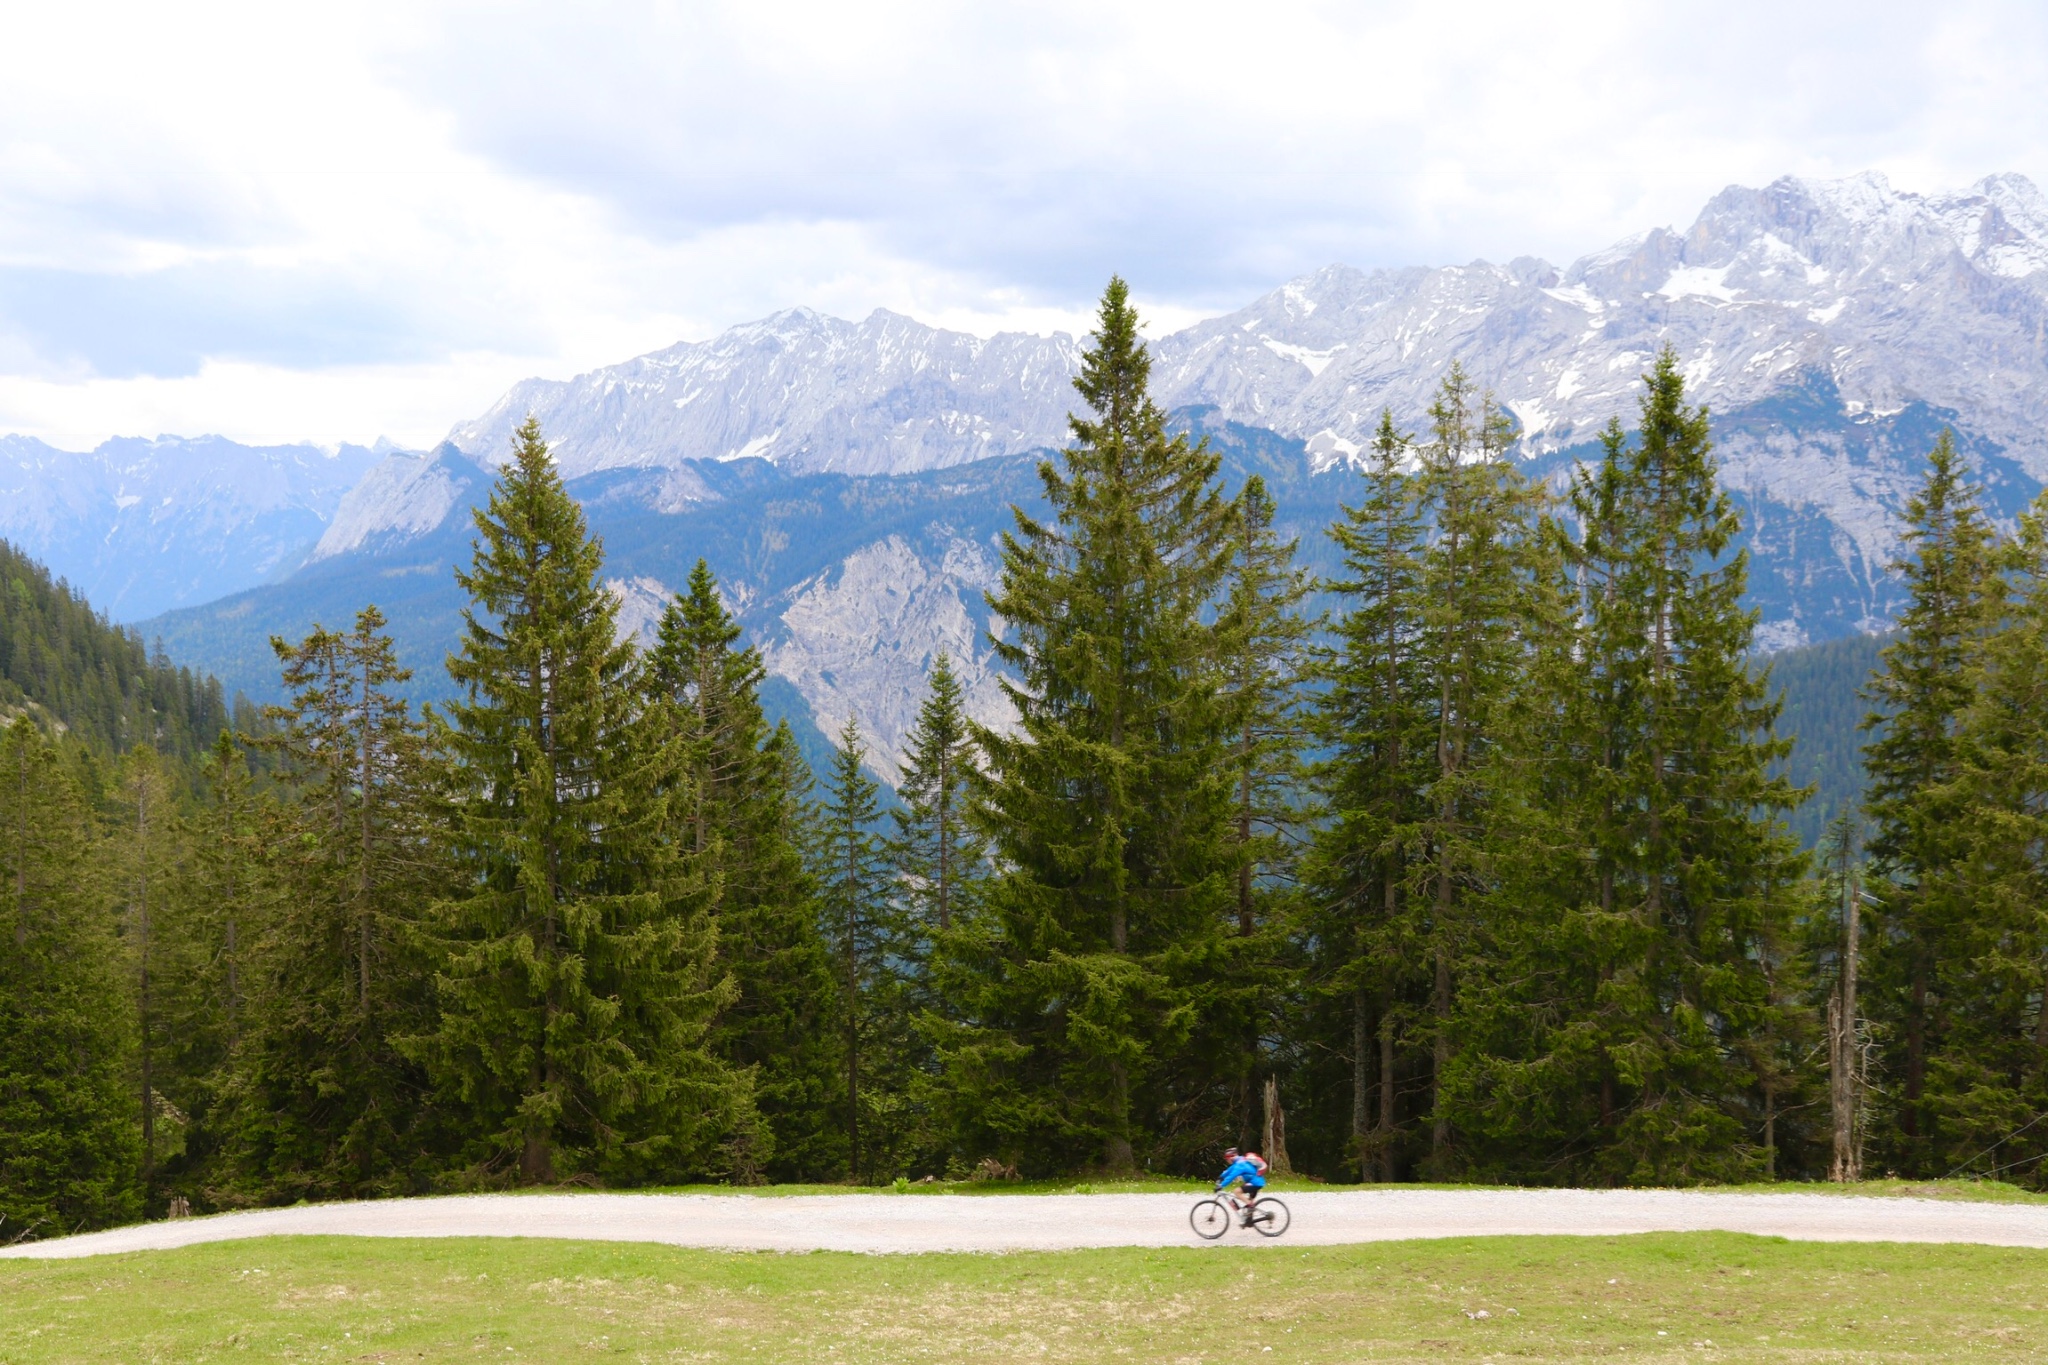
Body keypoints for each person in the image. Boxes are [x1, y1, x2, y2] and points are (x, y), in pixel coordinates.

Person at [1214, 1147, 1266, 1223]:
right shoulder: (1240, 1160)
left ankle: (1251, 1207)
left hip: (1255, 1183)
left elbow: (1231, 1176)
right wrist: (1221, 1177)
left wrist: (1221, 1185)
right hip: (1256, 1182)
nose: (1227, 1160)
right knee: (1249, 1201)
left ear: (1230, 1158)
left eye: (1227, 1159)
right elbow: (1229, 1170)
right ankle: (1249, 1221)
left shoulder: (1239, 1165)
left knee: (1237, 1191)